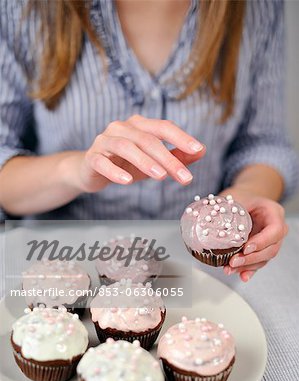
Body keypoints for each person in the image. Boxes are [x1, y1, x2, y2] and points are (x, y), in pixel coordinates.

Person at [0, 0, 298, 282]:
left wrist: (248, 192)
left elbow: (263, 144)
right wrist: (76, 170)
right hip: (57, 257)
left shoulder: (255, 8)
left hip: (200, 272)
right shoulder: (22, 9)